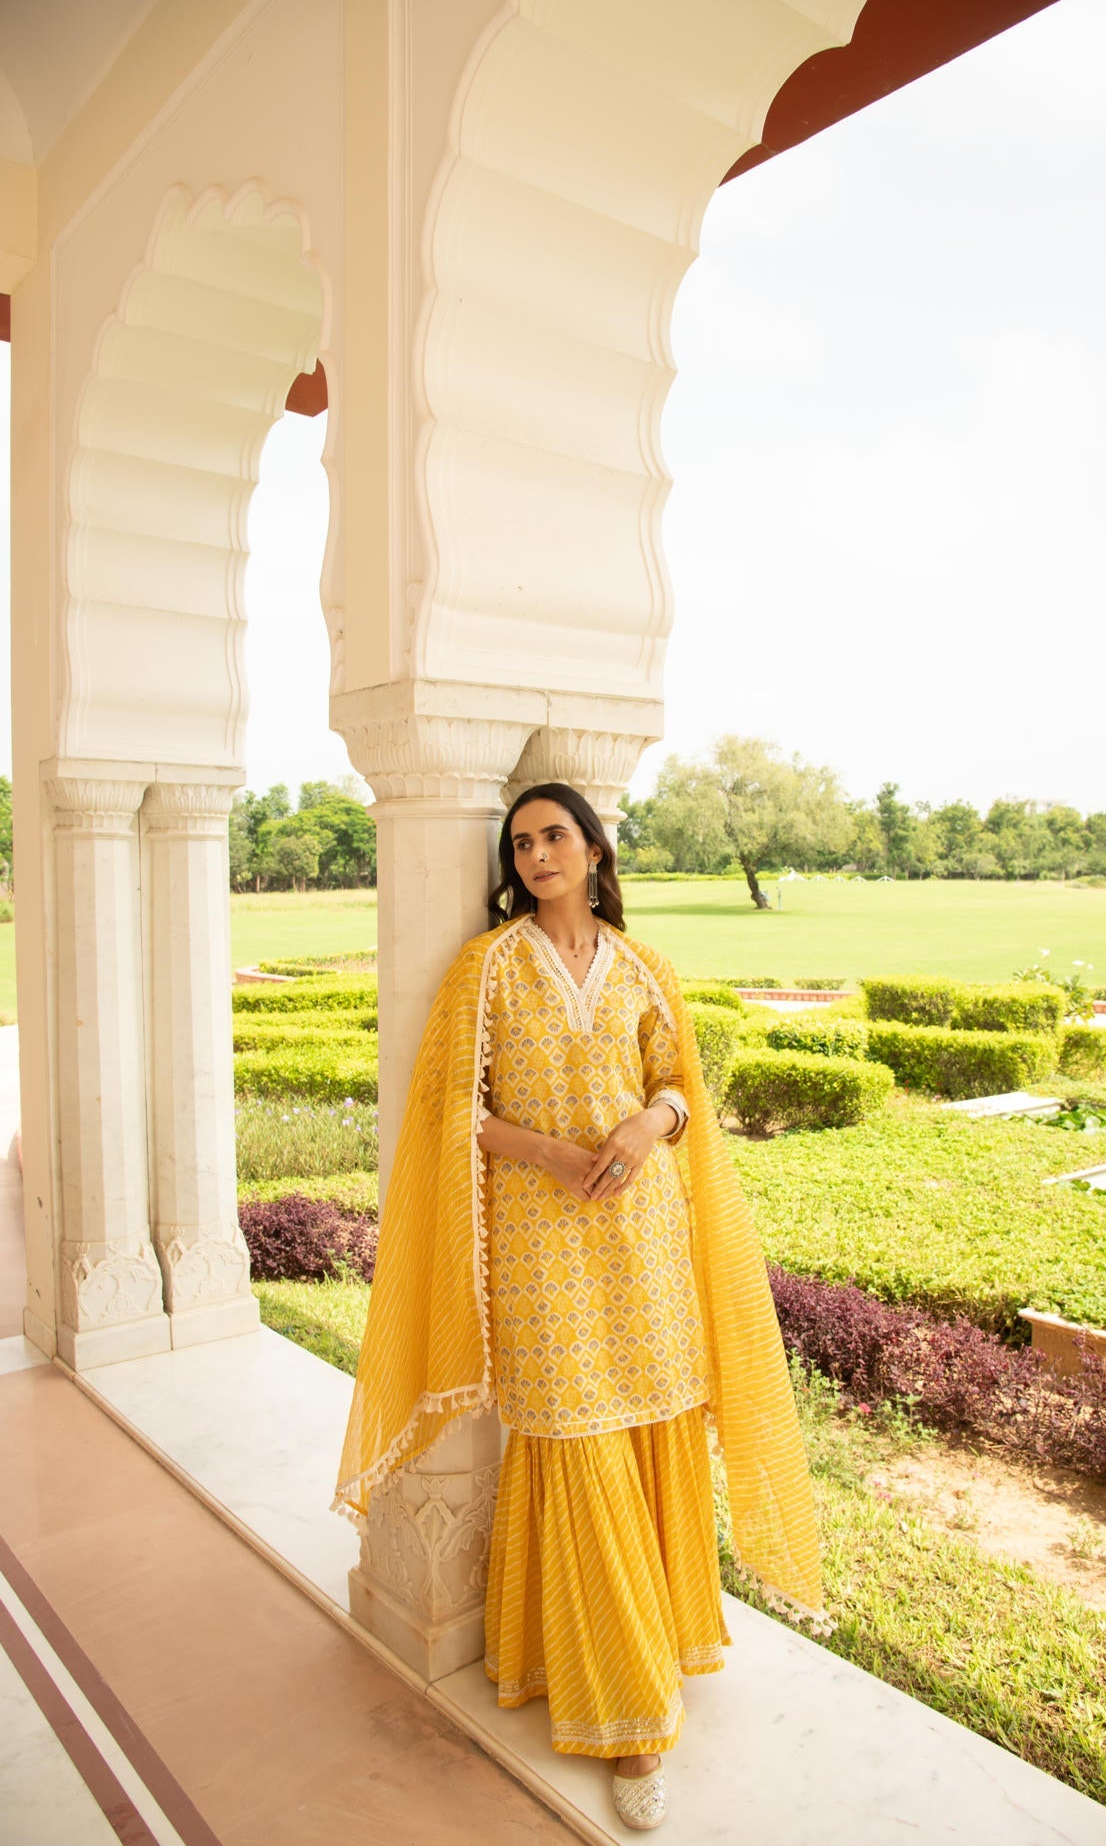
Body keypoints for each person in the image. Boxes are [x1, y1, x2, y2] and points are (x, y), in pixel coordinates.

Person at [335, 784, 824, 1832]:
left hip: (641, 1241)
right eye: (521, 843)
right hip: (536, 1247)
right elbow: (451, 1109)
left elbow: (679, 1082)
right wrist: (551, 1152)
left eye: (554, 835)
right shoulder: (488, 968)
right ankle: (630, 1714)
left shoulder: (646, 967)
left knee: (650, 1429)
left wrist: (651, 1122)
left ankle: (659, 1635)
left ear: (595, 850)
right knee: (573, 1441)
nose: (536, 853)